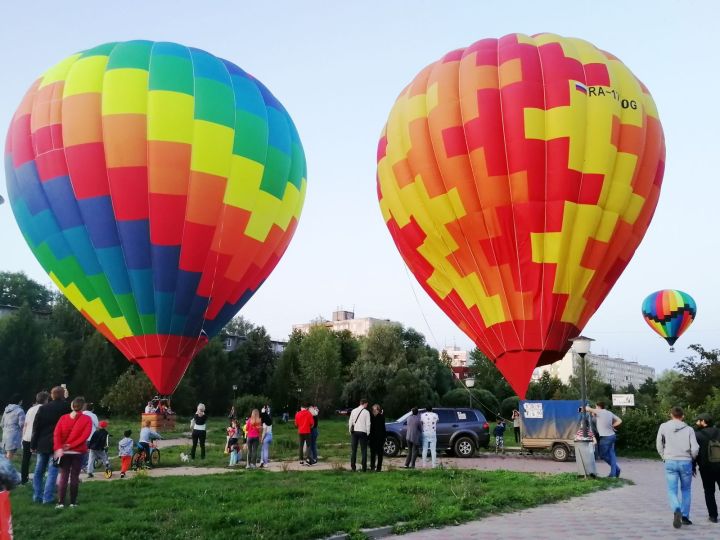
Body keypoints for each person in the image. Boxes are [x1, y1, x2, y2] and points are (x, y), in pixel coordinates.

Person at [657, 406, 699, 528]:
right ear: (683, 416)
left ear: (671, 415)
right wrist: (692, 457)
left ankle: (676, 508)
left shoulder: (663, 426)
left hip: (670, 461)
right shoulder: (689, 429)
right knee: (686, 490)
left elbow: (659, 444)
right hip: (685, 461)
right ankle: (685, 517)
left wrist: (663, 456)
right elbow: (695, 448)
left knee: (671, 490)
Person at [31, 386, 70, 504]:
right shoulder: (66, 407)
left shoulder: (43, 408)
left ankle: (37, 495)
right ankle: (47, 498)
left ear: (52, 395)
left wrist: (33, 444)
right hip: (58, 444)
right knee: (53, 470)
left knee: (39, 470)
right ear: (63, 394)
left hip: (42, 443)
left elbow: (36, 427)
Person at [53, 396, 92, 508]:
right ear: (83, 406)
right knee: (75, 477)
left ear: (72, 406)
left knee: (63, 476)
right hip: (78, 452)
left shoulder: (63, 418)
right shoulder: (87, 419)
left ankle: (60, 502)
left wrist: (59, 447)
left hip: (64, 453)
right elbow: (84, 436)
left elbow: (57, 434)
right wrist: (71, 445)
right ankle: (73, 502)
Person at [694, 413, 720, 523]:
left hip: (706, 467)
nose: (696, 423)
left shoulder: (697, 435)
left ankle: (713, 516)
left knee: (709, 491)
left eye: (698, 421)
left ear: (704, 422)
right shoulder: (719, 432)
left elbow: (695, 452)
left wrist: (693, 466)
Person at [585, 402, 622, 478]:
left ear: (598, 407)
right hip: (612, 436)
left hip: (605, 438)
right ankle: (614, 473)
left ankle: (616, 470)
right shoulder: (609, 412)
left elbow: (587, 409)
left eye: (596, 407)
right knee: (612, 454)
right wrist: (612, 425)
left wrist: (586, 407)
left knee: (603, 455)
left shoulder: (599, 411)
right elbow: (620, 420)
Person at [20, 391, 48, 485]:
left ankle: (24, 479)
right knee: (40, 459)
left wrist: (23, 437)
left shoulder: (30, 409)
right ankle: (39, 479)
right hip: (38, 437)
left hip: (27, 437)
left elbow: (25, 424)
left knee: (25, 459)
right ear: (45, 400)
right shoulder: (45, 408)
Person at [348, 399, 371, 472]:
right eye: (367, 404)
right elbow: (368, 423)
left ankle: (353, 467)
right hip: (363, 432)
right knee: (364, 450)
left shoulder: (353, 411)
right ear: (364, 404)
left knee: (354, 450)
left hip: (354, 432)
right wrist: (368, 432)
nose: (367, 406)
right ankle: (364, 468)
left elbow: (350, 421)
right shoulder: (366, 412)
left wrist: (350, 430)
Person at [1, 395, 25, 459]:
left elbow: (1, 424)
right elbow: (22, 425)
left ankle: (3, 468)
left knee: (4, 455)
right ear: (19, 401)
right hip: (14, 435)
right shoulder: (20, 411)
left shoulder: (6, 410)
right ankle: (6, 468)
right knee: (10, 454)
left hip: (5, 434)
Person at [80, 402, 98, 472]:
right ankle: (88, 466)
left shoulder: (81, 414)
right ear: (92, 409)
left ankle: (82, 466)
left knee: (82, 451)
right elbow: (97, 425)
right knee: (90, 452)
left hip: (82, 437)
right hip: (91, 437)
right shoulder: (93, 415)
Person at [369, 404, 386, 472]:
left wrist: (384, 437)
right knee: (373, 453)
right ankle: (373, 467)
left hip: (379, 438)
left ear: (378, 410)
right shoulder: (371, 417)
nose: (373, 411)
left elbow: (383, 428)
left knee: (379, 454)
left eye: (374, 409)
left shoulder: (381, 417)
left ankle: (378, 468)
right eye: (373, 409)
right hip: (373, 438)